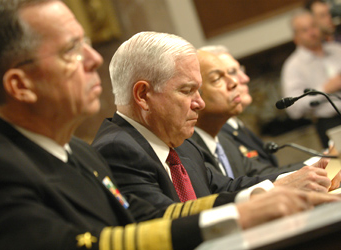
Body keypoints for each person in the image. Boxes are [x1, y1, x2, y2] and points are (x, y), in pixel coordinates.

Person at [0, 1, 337, 250]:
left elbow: (143, 221)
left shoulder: (79, 152)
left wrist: (263, 198)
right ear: (20, 85)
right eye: (71, 51)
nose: (94, 59)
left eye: (88, 45)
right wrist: (239, 215)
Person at [92, 31, 340, 212]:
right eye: (187, 90)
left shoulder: (181, 145)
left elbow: (228, 188)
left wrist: (305, 175)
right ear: (143, 95)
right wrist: (275, 191)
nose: (200, 103)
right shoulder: (117, 149)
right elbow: (165, 219)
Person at [197, 45, 280, 168]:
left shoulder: (233, 126)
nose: (243, 79)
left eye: (240, 70)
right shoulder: (214, 132)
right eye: (232, 72)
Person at [281, 9, 341, 148]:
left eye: (313, 26)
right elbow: (293, 110)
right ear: (296, 37)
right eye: (305, 30)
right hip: (330, 123)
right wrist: (324, 89)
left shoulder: (337, 50)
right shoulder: (293, 66)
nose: (312, 32)